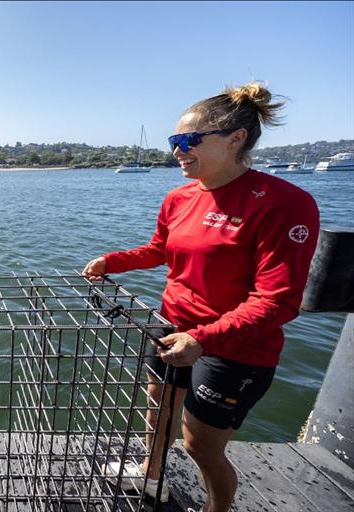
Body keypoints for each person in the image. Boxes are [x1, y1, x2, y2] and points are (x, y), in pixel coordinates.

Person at [82, 82, 319, 512]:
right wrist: (110, 261)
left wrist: (204, 339)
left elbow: (278, 300)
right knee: (159, 409)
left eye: (189, 140)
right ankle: (150, 475)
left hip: (234, 347)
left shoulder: (285, 203)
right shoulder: (178, 197)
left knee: (201, 447)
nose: (178, 150)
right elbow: (160, 249)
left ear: (236, 138)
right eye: (174, 141)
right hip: (172, 325)